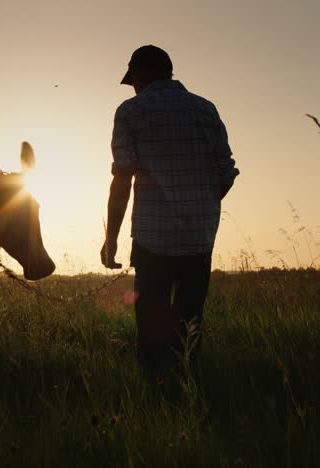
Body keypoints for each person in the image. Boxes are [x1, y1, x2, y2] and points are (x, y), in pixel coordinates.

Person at [100, 45, 239, 375]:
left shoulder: (131, 112)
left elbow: (122, 178)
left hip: (152, 239)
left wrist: (111, 239)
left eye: (132, 80)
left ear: (139, 77)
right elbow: (227, 171)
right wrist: (204, 205)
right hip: (199, 238)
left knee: (150, 321)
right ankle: (189, 383)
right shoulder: (205, 110)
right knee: (190, 320)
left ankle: (155, 395)